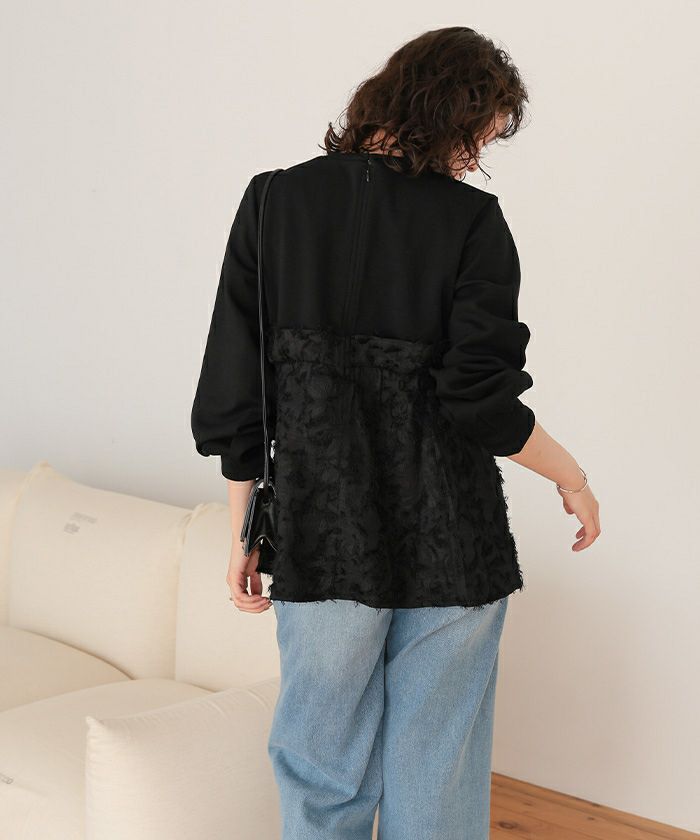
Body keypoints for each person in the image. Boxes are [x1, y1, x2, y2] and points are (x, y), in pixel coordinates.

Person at [190, 25, 600, 840]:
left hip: (323, 533)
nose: (477, 160)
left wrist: (245, 528)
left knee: (321, 767)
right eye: (480, 136)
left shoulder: (273, 202)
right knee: (434, 770)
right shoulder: (473, 222)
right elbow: (479, 397)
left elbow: (236, 386)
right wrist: (571, 475)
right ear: (449, 115)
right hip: (453, 538)